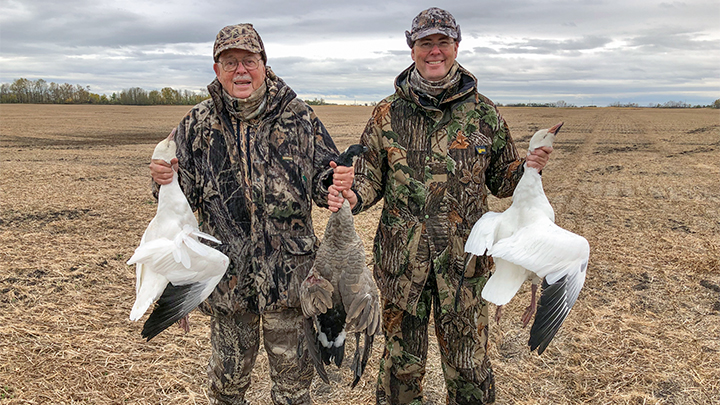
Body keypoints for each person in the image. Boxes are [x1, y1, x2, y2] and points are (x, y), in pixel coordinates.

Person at [329, 8, 552, 405]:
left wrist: (527, 170)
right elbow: (368, 179)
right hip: (401, 267)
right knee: (400, 367)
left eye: (442, 42)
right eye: (425, 43)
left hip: (464, 266)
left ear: (456, 46)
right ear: (412, 48)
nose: (435, 51)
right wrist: (350, 194)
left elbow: (502, 180)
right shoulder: (386, 114)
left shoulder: (485, 113)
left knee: (469, 366)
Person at [149, 23, 350, 405]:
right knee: (226, 390)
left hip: (290, 281)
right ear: (216, 70)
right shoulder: (197, 124)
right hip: (226, 281)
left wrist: (335, 183)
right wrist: (163, 180)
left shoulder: (299, 117)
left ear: (263, 63)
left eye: (248, 61)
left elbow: (327, 179)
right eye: (230, 63)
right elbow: (178, 197)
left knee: (292, 392)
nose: (240, 71)